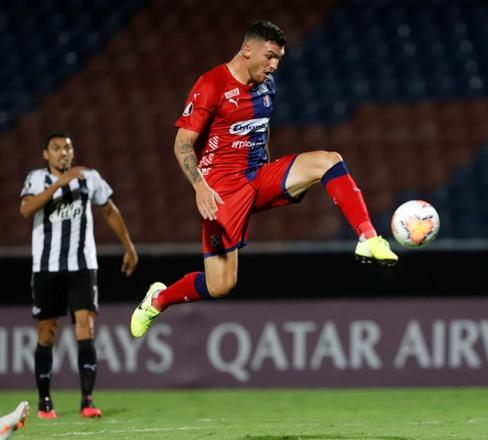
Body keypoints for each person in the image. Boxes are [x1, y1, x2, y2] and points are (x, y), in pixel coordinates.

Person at [130, 20, 397, 338]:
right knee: (221, 285)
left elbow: (261, 125)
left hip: (258, 176)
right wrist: (200, 186)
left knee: (329, 161)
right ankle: (159, 298)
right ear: (247, 50)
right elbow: (182, 143)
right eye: (269, 56)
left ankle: (368, 238)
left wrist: (268, 164)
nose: (273, 65)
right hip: (221, 191)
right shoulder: (211, 84)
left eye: (279, 59)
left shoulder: (267, 85)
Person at [20, 132, 138, 419]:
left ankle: (87, 399)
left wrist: (128, 247)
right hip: (46, 268)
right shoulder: (37, 179)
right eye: (56, 148)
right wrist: (59, 184)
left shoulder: (89, 177)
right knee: (47, 332)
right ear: (45, 154)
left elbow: (109, 210)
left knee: (85, 327)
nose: (63, 152)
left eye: (67, 147)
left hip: (82, 264)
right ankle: (45, 401)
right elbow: (26, 209)